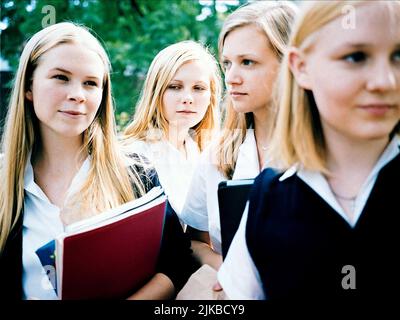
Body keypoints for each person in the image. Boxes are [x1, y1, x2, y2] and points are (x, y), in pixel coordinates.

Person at [218, 0, 400, 299]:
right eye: (356, 56)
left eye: (398, 56)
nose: (384, 80)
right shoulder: (269, 194)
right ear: (301, 68)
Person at [0, 22, 194, 300]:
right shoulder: (4, 181)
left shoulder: (136, 173)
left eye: (90, 83)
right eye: (61, 77)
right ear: (29, 87)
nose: (78, 94)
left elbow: (177, 261)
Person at [180, 1, 298, 270]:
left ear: (291, 65)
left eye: (247, 62)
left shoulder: (335, 152)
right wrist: (225, 269)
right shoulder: (217, 155)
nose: (231, 77)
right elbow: (194, 241)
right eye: (227, 63)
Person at [122, 41, 221, 217]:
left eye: (198, 88)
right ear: (156, 92)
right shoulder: (134, 158)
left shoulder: (207, 155)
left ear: (211, 97)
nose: (188, 98)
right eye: (175, 87)